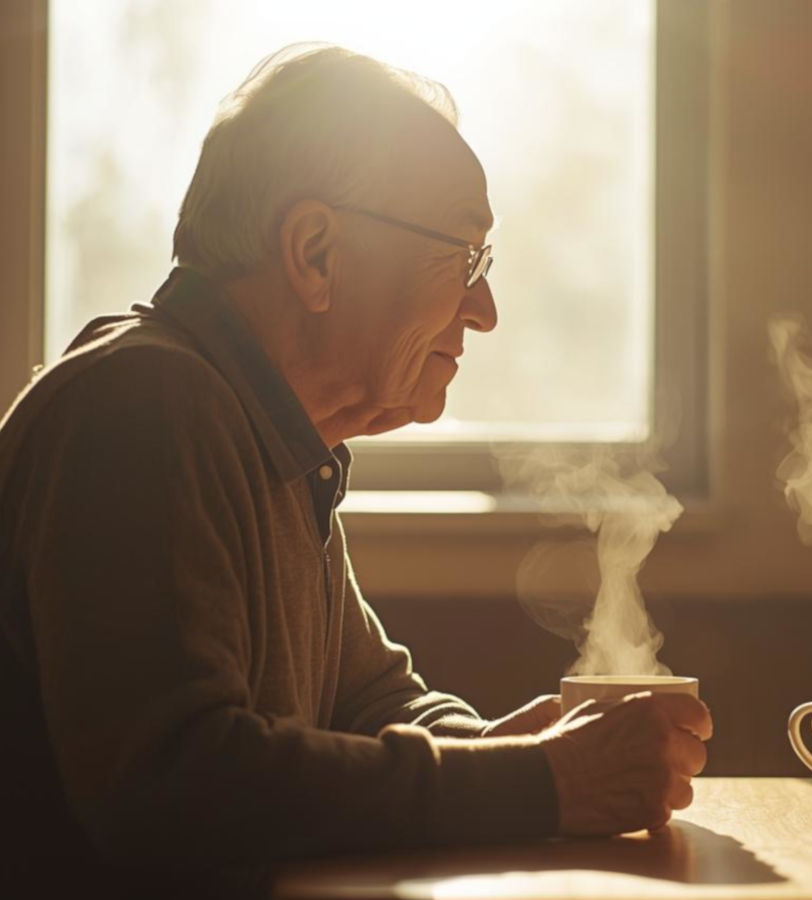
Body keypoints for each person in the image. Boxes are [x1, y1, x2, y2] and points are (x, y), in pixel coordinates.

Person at [0, 45, 710, 896]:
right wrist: (542, 783)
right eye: (464, 257)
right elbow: (176, 785)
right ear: (316, 254)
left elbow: (371, 704)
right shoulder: (145, 405)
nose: (483, 312)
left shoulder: (270, 436)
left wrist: (508, 749)